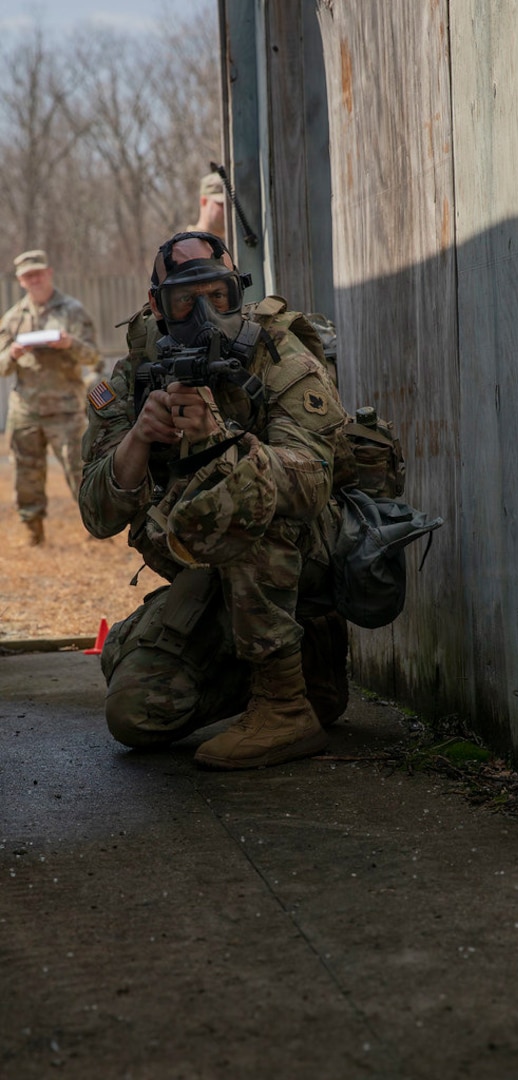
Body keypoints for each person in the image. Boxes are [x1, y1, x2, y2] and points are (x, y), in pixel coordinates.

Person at [79, 231, 352, 770]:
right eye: (186, 299)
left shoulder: (277, 349)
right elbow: (97, 514)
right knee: (135, 713)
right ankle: (297, 671)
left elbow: (312, 481)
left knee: (235, 496)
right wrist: (139, 438)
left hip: (307, 559)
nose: (205, 312)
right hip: (207, 572)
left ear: (237, 291)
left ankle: (284, 703)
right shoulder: (134, 374)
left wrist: (217, 440)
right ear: (157, 305)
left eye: (219, 295)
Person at [0, 249, 101, 545]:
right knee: (26, 473)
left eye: (38, 273)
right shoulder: (13, 318)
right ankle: (34, 532)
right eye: (28, 276)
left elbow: (93, 355)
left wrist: (70, 343)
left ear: (49, 272)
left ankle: (96, 529)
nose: (35, 279)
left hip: (66, 407)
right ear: (20, 280)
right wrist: (13, 354)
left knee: (79, 471)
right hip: (26, 408)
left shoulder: (72, 311)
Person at [187, 172, 226, 240]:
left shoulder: (234, 244)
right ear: (204, 201)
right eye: (221, 204)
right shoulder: (186, 244)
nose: (227, 210)